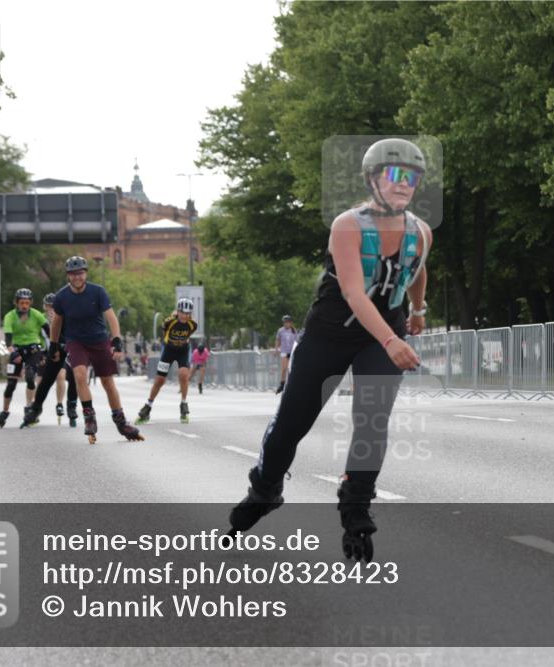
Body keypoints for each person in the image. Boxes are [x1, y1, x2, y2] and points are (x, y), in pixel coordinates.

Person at [228, 138, 432, 562]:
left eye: (411, 177)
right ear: (373, 179)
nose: (403, 185)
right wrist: (393, 341)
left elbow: (417, 267)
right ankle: (265, 489)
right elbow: (355, 293)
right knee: (291, 424)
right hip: (330, 333)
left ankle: (356, 503)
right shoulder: (348, 225)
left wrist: (417, 310)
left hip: (384, 331)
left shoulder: (420, 230)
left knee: (372, 418)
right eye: (394, 175)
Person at [49, 256, 143, 443]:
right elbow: (56, 322)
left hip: (99, 340)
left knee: (108, 382)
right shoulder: (61, 297)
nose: (77, 277)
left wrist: (116, 342)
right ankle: (89, 418)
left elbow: (112, 318)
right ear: (68, 276)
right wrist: (53, 345)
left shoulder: (98, 292)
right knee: (80, 376)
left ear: (86, 273)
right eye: (73, 274)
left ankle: (121, 422)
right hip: (75, 342)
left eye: (80, 273)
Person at [20, 293, 79, 429]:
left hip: (60, 352)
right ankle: (33, 410)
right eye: (48, 306)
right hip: (44, 352)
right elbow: (33, 336)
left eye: (53, 306)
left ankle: (60, 404)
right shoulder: (38, 318)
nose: (51, 309)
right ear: (44, 307)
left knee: (61, 376)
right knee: (40, 382)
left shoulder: (64, 316)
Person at [0, 289, 47, 428]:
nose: (24, 306)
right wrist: (13, 353)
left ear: (31, 303)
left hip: (33, 349)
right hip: (16, 349)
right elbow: (8, 339)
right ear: (16, 303)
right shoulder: (10, 316)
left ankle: (29, 409)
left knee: (29, 376)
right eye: (21, 303)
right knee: (11, 384)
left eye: (27, 303)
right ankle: (4, 412)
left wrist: (50, 349)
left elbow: (49, 330)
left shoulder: (36, 314)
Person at [136, 298, 198, 424]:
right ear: (178, 312)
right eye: (182, 313)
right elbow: (165, 334)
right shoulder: (169, 322)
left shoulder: (193, 325)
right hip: (169, 350)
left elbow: (188, 335)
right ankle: (148, 406)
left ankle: (184, 404)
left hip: (183, 351)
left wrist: (179, 342)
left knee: (183, 375)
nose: (185, 316)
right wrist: (171, 343)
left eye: (187, 313)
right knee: (160, 380)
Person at [274, 315, 299, 393]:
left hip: (291, 352)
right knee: (284, 368)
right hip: (284, 351)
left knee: (290, 369)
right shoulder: (280, 330)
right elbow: (278, 340)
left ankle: (291, 384)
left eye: (287, 322)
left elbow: (296, 342)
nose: (286, 324)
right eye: (284, 322)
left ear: (290, 323)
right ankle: (282, 384)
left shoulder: (294, 331)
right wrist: (276, 349)